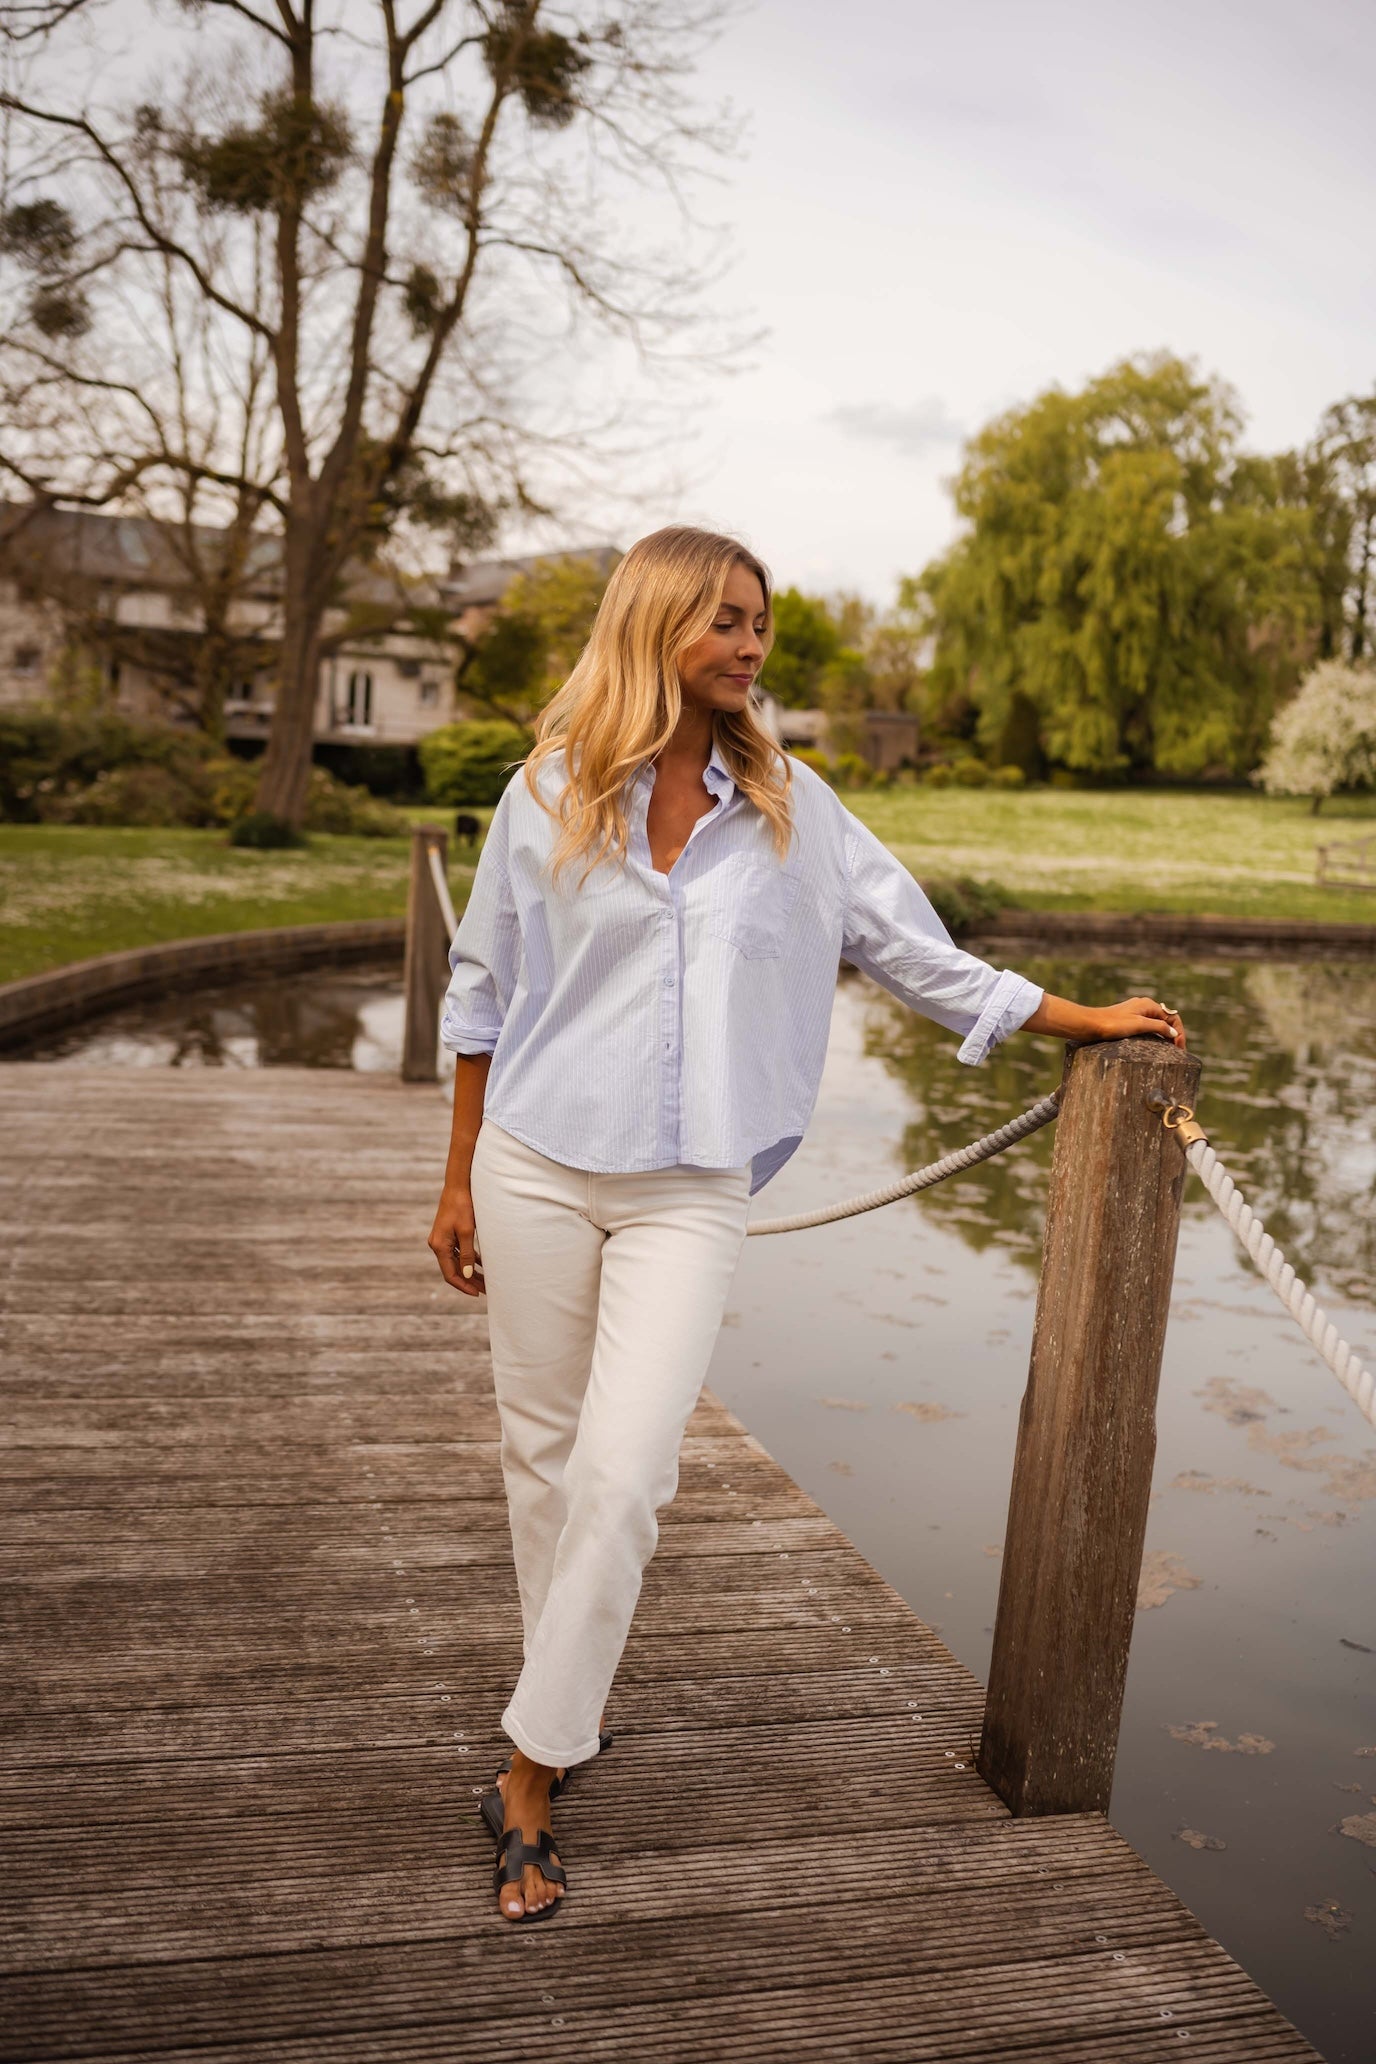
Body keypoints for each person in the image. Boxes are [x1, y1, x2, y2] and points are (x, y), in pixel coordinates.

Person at [426, 525, 1186, 1923]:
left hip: (692, 1181)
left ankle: (528, 1773)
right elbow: (483, 987)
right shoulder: (541, 795)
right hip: (535, 1162)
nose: (751, 643)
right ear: (656, 625)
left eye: (759, 620)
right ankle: (566, 1698)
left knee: (628, 1473)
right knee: (543, 1462)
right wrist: (461, 1172)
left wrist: (1071, 1018)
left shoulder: (791, 807)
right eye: (724, 618)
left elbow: (906, 942)